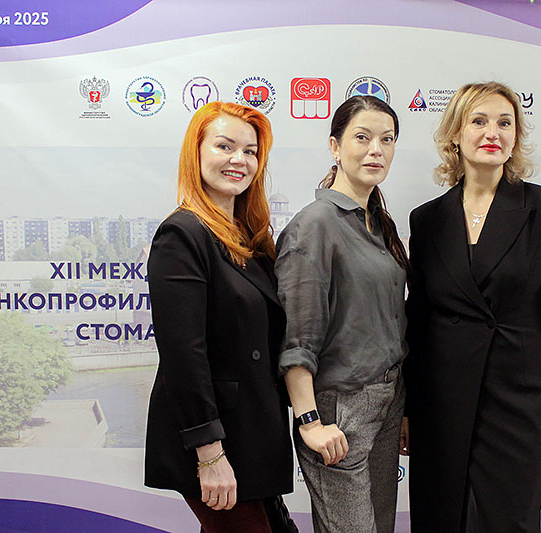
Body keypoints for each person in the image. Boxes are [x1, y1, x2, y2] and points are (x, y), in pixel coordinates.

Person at [403, 82, 541, 532]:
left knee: (508, 520)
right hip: (440, 401)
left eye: (505, 122)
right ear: (456, 134)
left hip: (519, 402)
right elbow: (417, 322)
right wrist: (406, 407)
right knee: (440, 517)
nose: (493, 132)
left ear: (516, 136)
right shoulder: (427, 218)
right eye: (479, 121)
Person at [144, 101, 295, 533]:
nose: (239, 160)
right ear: (196, 152)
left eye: (250, 151)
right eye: (225, 146)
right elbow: (183, 354)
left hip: (253, 436)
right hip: (212, 443)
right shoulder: (182, 234)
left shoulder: (250, 240)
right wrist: (209, 454)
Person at [275, 95, 410, 533]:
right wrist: (309, 421)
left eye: (387, 139)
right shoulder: (314, 224)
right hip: (339, 407)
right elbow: (298, 337)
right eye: (362, 137)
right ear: (335, 146)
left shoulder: (378, 223)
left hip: (388, 399)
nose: (376, 150)